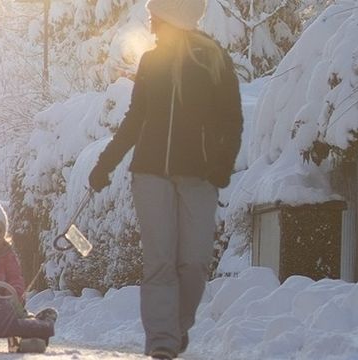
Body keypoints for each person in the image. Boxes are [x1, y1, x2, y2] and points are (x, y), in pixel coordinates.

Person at [87, 1, 243, 358]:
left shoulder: (214, 59)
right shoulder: (151, 62)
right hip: (150, 172)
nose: (150, 22)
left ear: (172, 17)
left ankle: (176, 328)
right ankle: (161, 340)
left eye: (155, 15)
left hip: (200, 175)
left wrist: (223, 164)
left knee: (194, 261)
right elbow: (134, 118)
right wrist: (105, 164)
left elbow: (231, 119)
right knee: (159, 260)